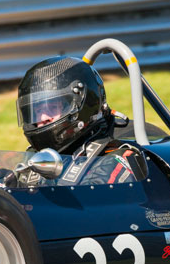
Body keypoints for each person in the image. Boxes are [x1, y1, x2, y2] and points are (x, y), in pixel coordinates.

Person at [14, 56, 146, 186]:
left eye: (52, 107)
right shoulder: (35, 158)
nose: (42, 119)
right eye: (37, 111)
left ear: (80, 104)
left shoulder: (110, 164)